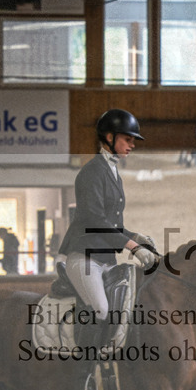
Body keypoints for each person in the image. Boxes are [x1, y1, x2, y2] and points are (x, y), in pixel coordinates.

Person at [55, 108, 157, 348]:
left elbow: (113, 225)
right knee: (101, 309)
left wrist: (135, 236)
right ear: (109, 138)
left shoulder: (113, 173)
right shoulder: (91, 172)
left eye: (133, 141)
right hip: (85, 258)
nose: (131, 145)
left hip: (105, 259)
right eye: (127, 139)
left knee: (124, 310)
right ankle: (83, 371)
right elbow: (95, 221)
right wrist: (133, 247)